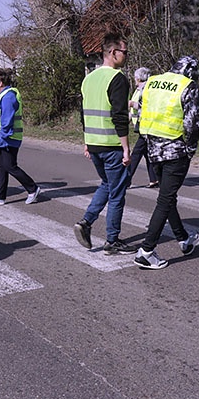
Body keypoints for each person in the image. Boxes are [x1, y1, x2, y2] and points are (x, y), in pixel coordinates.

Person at [133, 56, 199, 269]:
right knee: (165, 200)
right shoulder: (187, 86)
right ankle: (146, 250)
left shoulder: (152, 81)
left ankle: (183, 239)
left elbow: (141, 109)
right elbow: (191, 123)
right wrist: (190, 149)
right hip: (175, 151)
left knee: (167, 195)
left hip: (153, 148)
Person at [73, 33, 137, 255]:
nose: (126, 56)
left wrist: (86, 142)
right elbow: (119, 115)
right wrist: (126, 148)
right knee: (118, 191)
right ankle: (112, 240)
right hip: (111, 145)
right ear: (112, 52)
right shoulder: (117, 78)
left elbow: (84, 113)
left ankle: (86, 222)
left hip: (94, 143)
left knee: (107, 185)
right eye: (124, 52)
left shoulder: (89, 78)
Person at [0, 68, 41, 206]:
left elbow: (6, 119)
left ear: (0, 82)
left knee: (10, 166)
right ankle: (0, 196)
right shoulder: (2, 95)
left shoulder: (8, 96)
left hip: (8, 137)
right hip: (1, 137)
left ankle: (33, 188)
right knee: (1, 166)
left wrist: (3, 136)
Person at [126, 66, 159, 188]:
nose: (134, 80)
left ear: (139, 78)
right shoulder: (138, 89)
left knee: (136, 154)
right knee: (147, 153)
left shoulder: (147, 88)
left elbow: (145, 105)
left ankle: (126, 179)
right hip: (140, 124)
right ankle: (154, 178)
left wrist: (132, 104)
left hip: (145, 125)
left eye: (135, 77)